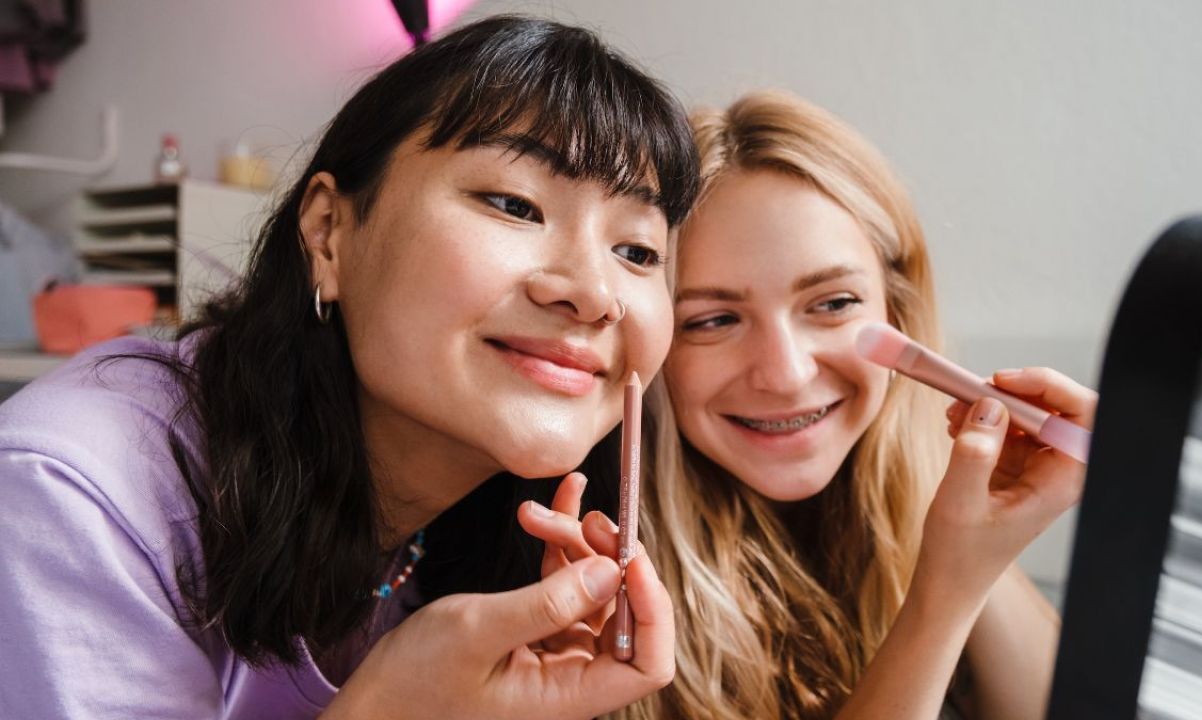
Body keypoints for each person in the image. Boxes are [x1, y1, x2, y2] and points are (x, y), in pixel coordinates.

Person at [0, 16, 698, 720]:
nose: (594, 294)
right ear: (329, 232)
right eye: (515, 205)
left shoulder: (508, 539)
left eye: (637, 252)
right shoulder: (71, 494)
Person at [522, 90, 1094, 720]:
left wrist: (978, 535)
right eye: (713, 320)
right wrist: (947, 594)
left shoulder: (913, 501)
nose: (787, 375)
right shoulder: (583, 572)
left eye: (833, 304)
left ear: (898, 311)